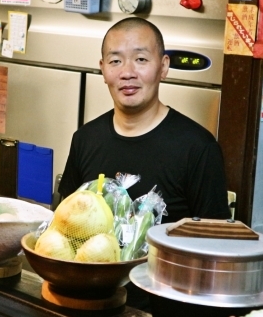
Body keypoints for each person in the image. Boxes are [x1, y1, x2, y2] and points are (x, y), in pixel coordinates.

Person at [58, 17, 230, 223]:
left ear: (164, 66)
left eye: (141, 59)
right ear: (103, 69)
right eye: (115, 61)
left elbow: (215, 243)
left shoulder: (198, 148)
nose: (127, 73)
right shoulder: (85, 139)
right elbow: (65, 225)